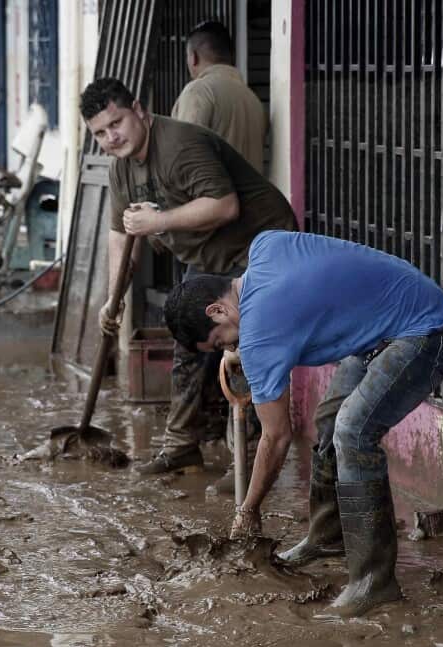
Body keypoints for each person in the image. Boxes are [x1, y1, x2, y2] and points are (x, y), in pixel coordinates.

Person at [163, 230, 443, 618]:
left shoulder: (258, 335)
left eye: (221, 342)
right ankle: (327, 537)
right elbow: (301, 299)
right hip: (392, 319)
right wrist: (243, 348)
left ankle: (374, 583)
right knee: (329, 420)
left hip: (427, 330)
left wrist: (248, 510)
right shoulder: (265, 246)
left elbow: (276, 437)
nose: (230, 349)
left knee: (353, 431)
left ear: (217, 311)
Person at [79, 78, 296, 482]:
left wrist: (158, 221)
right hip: (210, 257)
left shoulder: (179, 145)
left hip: (261, 245)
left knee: (244, 346)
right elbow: (120, 237)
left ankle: (247, 458)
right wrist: (113, 300)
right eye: (100, 133)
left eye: (117, 123)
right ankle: (181, 447)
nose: (112, 137)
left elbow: (225, 205)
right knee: (188, 340)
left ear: (139, 111)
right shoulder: (121, 170)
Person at [171, 20, 265, 171]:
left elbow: (185, 158)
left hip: (211, 194)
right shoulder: (253, 99)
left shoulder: (198, 91)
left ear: (193, 57)